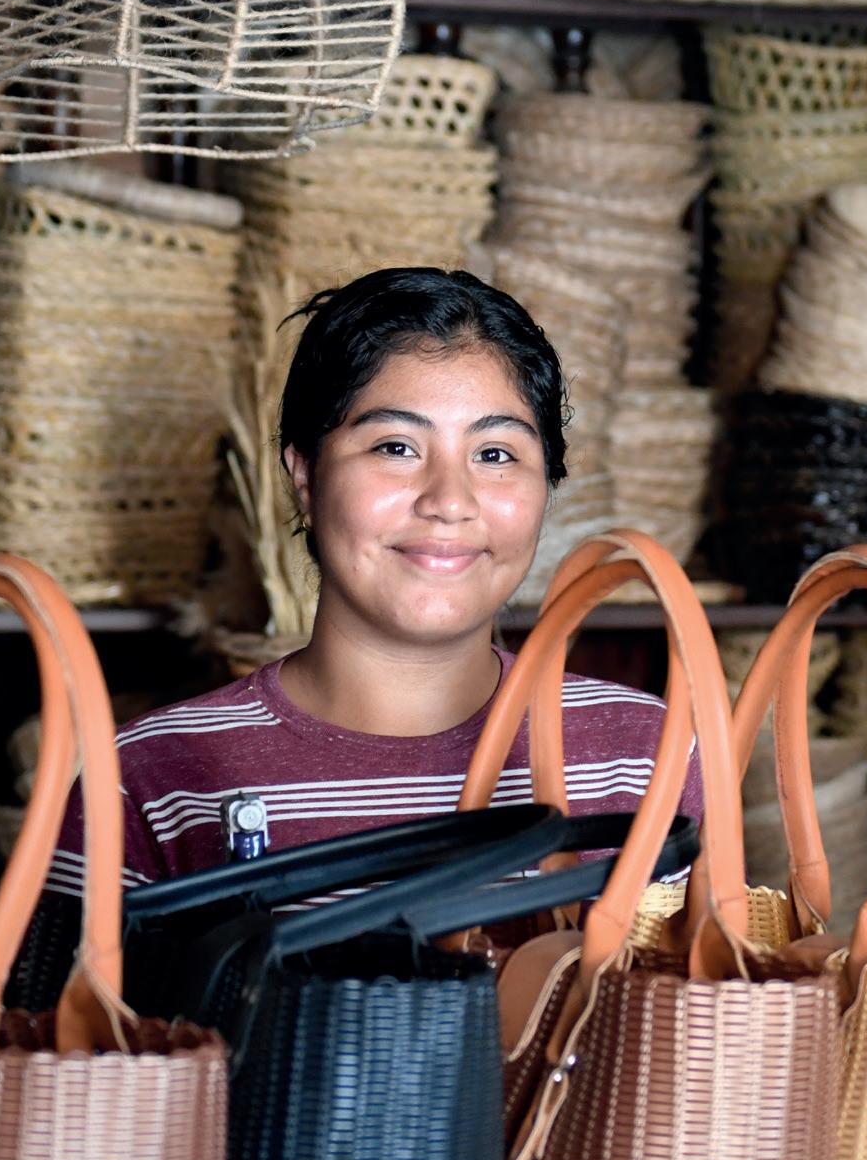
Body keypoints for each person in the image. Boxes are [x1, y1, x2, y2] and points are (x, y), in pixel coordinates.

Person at [46, 265, 702, 895]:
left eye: (495, 454)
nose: (449, 501)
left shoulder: (643, 751)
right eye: (396, 447)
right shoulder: (151, 777)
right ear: (306, 477)